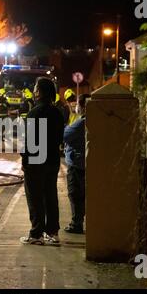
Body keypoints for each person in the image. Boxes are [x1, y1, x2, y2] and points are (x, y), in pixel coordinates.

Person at [20, 77, 65, 245]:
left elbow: (30, 142)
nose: (34, 90)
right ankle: (53, 233)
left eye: (35, 88)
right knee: (50, 196)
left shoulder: (34, 113)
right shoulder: (58, 113)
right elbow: (60, 138)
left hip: (36, 162)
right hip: (52, 161)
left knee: (35, 198)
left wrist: (25, 161)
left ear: (39, 92)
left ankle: (36, 234)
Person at [63, 94, 89, 234]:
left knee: (75, 194)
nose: (76, 106)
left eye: (79, 103)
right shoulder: (91, 120)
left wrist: (67, 127)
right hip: (84, 162)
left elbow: (65, 135)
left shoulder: (82, 122)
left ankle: (76, 224)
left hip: (77, 164)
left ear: (84, 106)